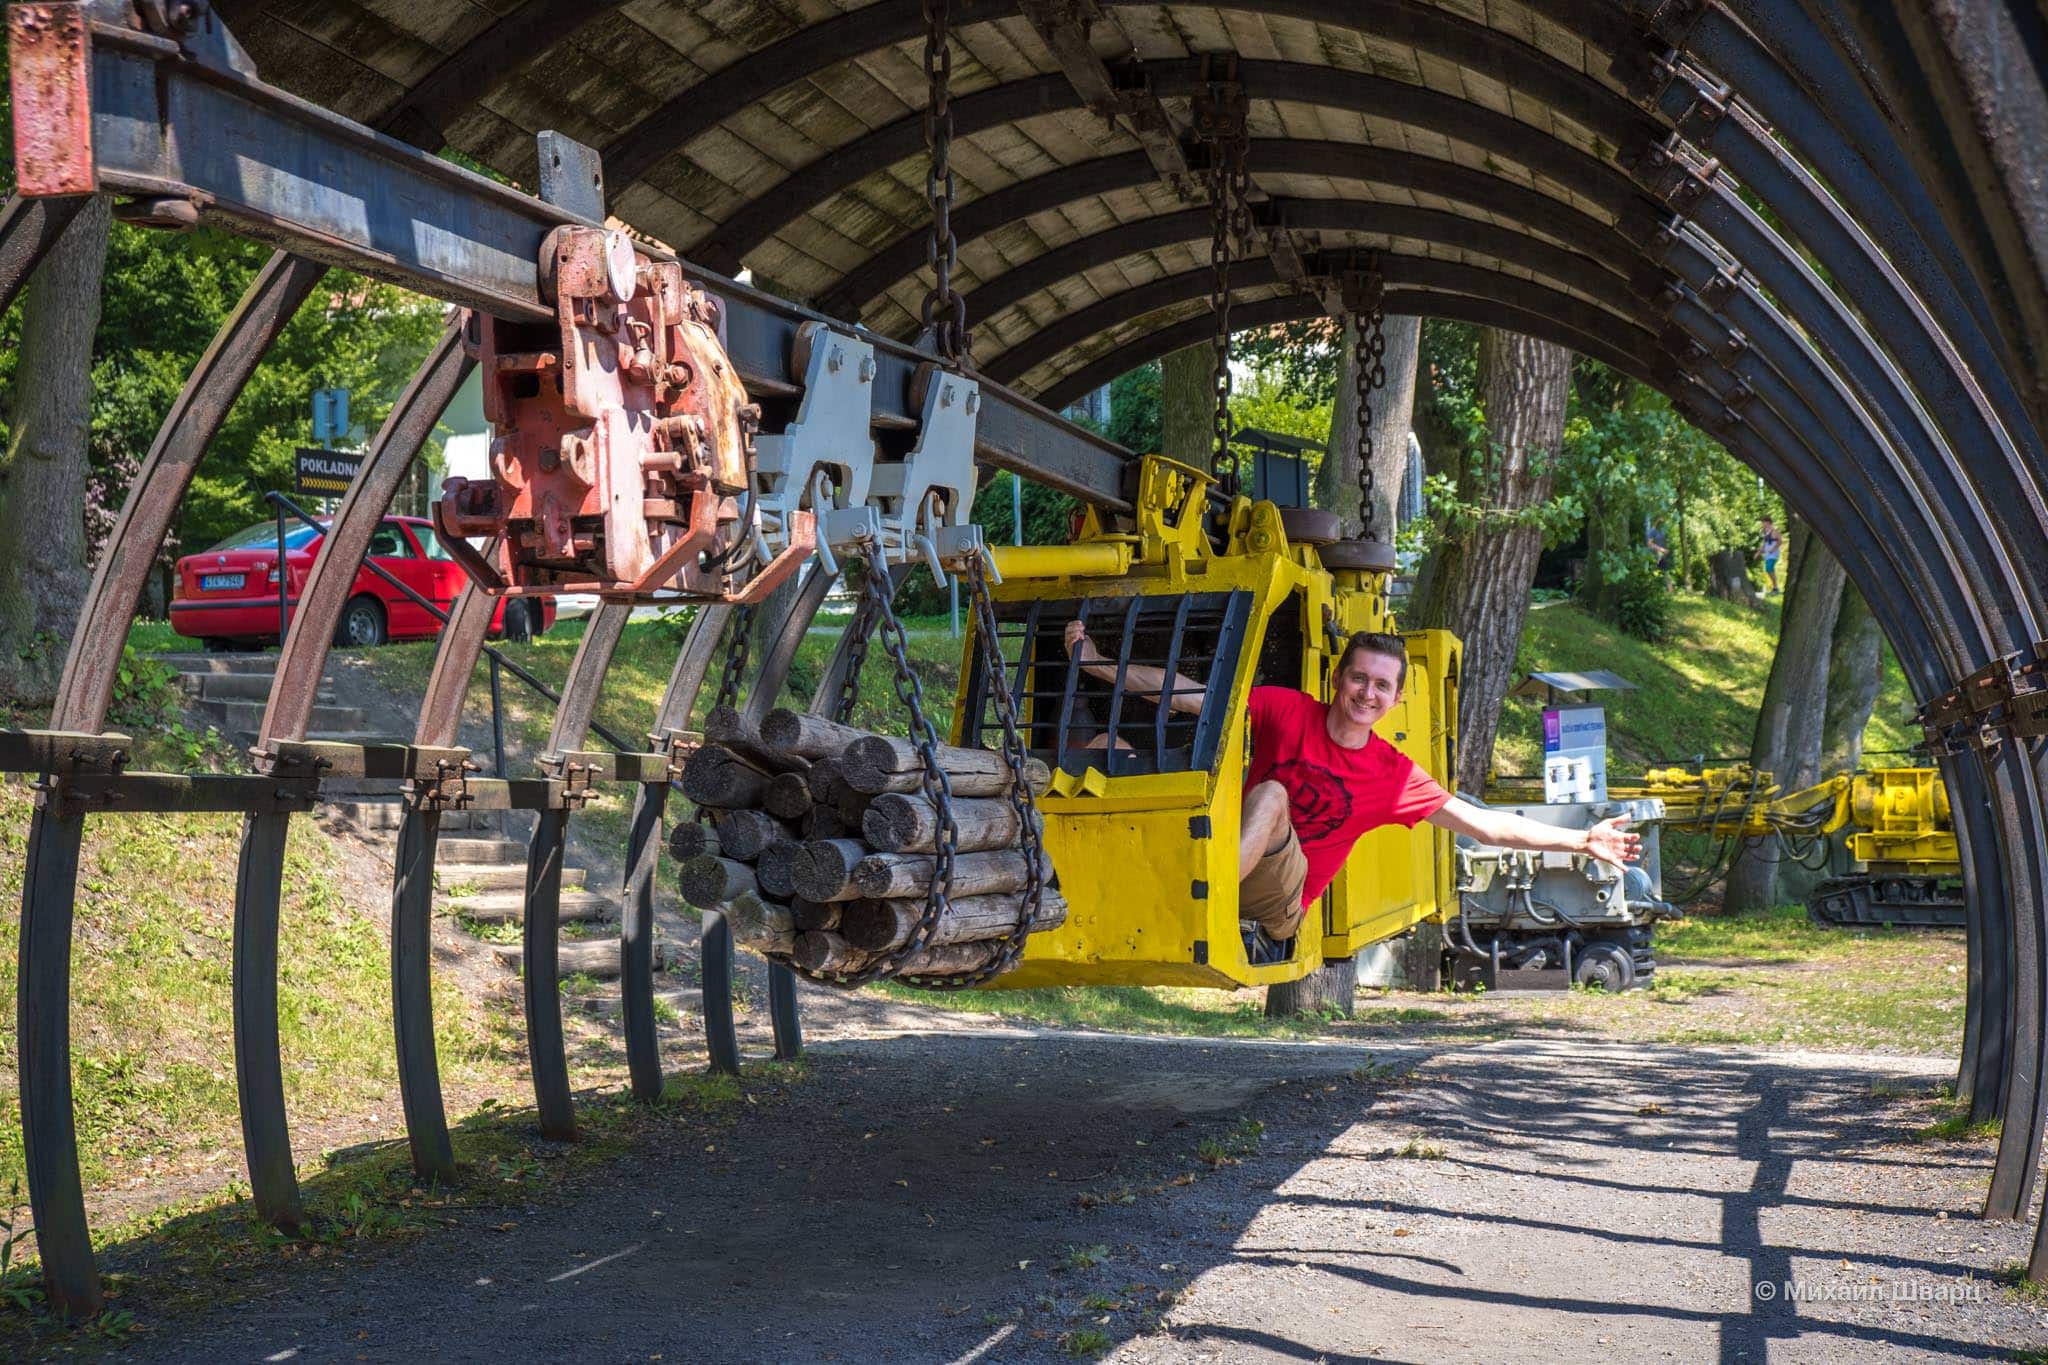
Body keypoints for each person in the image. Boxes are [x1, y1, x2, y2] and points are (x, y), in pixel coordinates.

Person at [1062, 622, 1642, 954]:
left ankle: (1196, 908)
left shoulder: (1392, 775)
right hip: (1231, 851)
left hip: (1277, 905)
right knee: (1104, 753)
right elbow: (1187, 694)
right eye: (1360, 677)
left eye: (1382, 686)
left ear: (1394, 700)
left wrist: (1581, 841)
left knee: (1270, 795)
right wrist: (1094, 663)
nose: (1368, 692)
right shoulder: (1287, 711)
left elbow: (1485, 824)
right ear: (1339, 680)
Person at [1758, 516, 1783, 594]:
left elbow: (1780, 541)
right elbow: (1765, 544)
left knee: (1769, 568)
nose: (1762, 524)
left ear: (1768, 522)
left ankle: (1776, 588)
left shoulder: (1774, 531)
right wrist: (1758, 552)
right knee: (1768, 569)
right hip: (1767, 554)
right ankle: (1775, 588)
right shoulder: (1765, 532)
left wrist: (1774, 549)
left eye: (1763, 522)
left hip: (1773, 554)